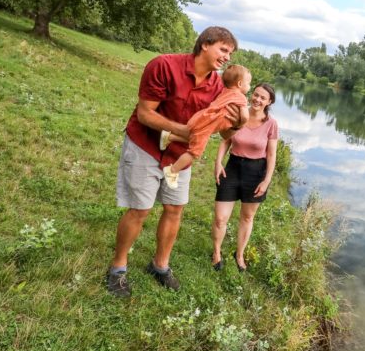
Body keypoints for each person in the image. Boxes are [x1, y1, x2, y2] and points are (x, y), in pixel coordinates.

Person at [106, 26, 243, 297]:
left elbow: (224, 130)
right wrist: (188, 132)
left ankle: (160, 265)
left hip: (179, 156)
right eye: (223, 49)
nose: (227, 57)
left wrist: (237, 123)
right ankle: (118, 268)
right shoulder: (164, 65)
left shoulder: (218, 87)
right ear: (205, 44)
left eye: (231, 53)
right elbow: (145, 114)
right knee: (140, 210)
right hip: (145, 145)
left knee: (174, 209)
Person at [211, 83, 278, 272]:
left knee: (247, 217)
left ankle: (239, 254)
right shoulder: (240, 114)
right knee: (220, 218)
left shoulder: (271, 124)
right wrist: (218, 163)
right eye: (255, 95)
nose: (257, 99)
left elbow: (272, 155)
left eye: (262, 98)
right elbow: (226, 140)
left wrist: (267, 180)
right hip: (232, 168)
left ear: (269, 102)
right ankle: (216, 252)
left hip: (256, 172)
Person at [161, 64, 251, 189]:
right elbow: (245, 116)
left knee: (194, 138)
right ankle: (172, 171)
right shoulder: (240, 97)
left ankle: (169, 137)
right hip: (207, 124)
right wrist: (242, 123)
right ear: (240, 84)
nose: (249, 86)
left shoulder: (225, 91)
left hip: (200, 118)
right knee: (194, 152)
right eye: (249, 83)